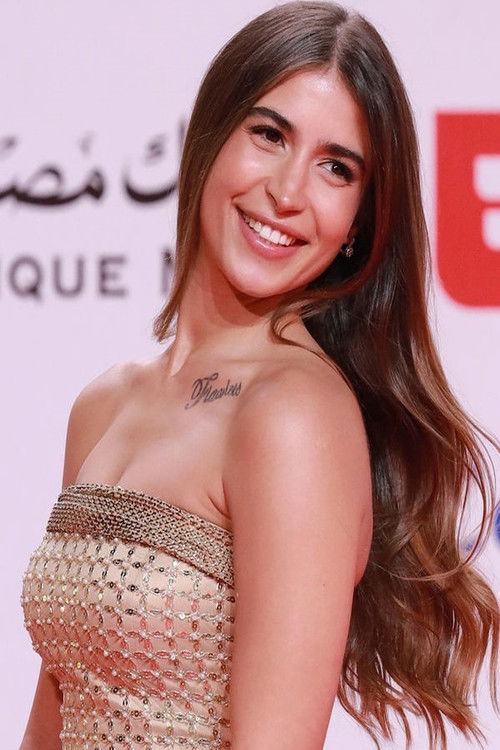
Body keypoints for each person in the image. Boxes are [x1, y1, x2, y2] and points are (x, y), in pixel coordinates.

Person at [20, 2, 499, 749]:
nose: (287, 192)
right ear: (211, 135)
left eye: (335, 168)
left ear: (359, 223)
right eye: (269, 134)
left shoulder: (295, 416)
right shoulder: (106, 403)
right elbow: (58, 711)